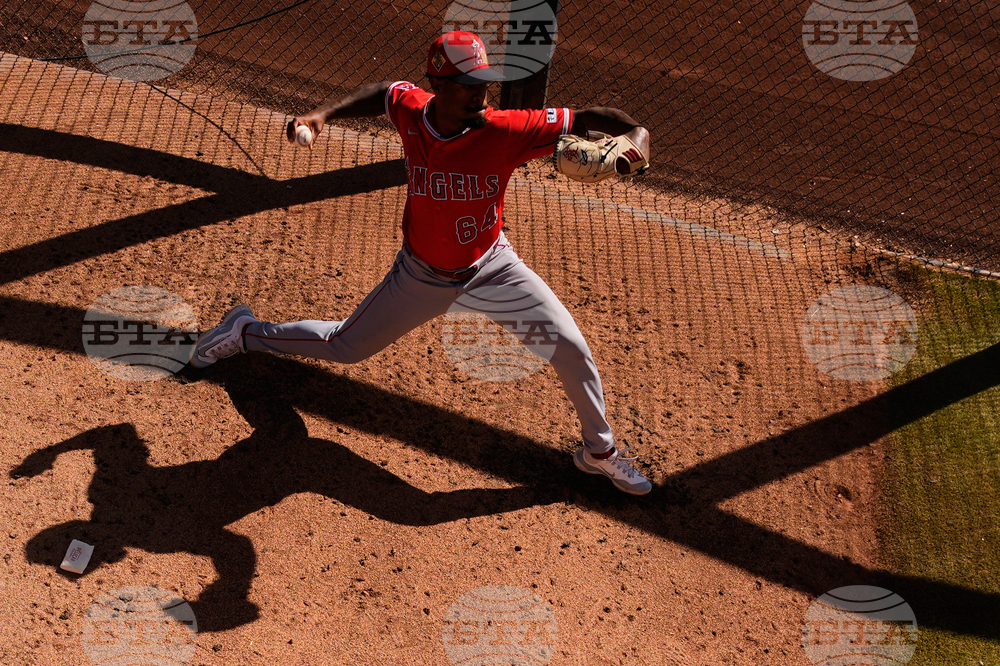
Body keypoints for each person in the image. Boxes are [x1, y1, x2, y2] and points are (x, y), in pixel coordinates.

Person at [191, 31, 653, 495]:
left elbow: (592, 116)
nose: (480, 93)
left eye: (485, 82)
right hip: (421, 275)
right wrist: (321, 115)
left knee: (569, 346)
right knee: (344, 346)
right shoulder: (413, 112)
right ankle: (243, 331)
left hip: (494, 269)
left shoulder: (506, 129)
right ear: (438, 84)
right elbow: (387, 93)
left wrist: (637, 136)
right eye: (468, 83)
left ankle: (599, 452)